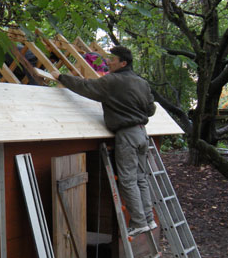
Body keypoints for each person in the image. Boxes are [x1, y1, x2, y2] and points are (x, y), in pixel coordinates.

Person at [50, 46, 157, 236]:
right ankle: (148, 219)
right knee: (141, 178)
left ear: (123, 63)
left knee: (128, 180)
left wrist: (61, 77)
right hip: (142, 133)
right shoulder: (141, 82)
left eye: (113, 59)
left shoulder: (112, 81)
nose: (108, 62)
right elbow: (150, 110)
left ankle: (139, 222)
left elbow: (86, 87)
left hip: (127, 136)